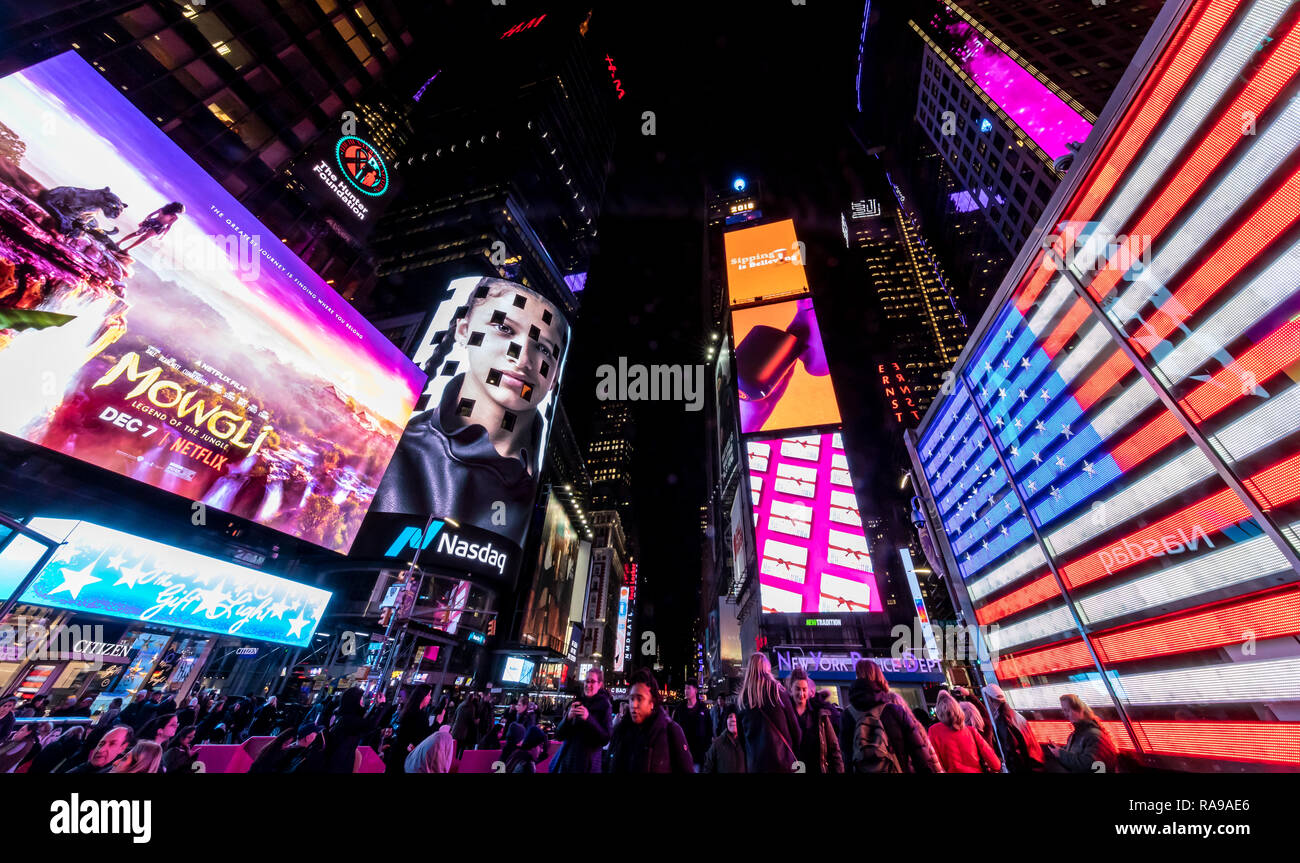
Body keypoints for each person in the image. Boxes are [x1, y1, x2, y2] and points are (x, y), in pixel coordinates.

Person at [373, 277, 570, 545]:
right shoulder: (389, 444)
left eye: (543, 349)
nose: (522, 358)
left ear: (556, 374)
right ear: (463, 330)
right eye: (504, 328)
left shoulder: (543, 495)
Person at [840, 661, 942, 773]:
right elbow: (918, 752)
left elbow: (847, 758)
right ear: (879, 676)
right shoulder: (894, 710)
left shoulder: (847, 715)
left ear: (858, 678)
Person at [608, 668, 693, 774]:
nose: (634, 705)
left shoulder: (671, 731)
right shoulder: (622, 731)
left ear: (652, 702)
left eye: (640, 698)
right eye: (631, 698)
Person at [736, 652, 801, 773]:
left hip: (756, 765)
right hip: (782, 763)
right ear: (767, 668)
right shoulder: (778, 691)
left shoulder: (742, 700)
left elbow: (741, 739)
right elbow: (795, 730)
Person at [552, 667, 613, 773]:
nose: (588, 685)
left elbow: (605, 738)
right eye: (586, 681)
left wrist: (589, 719)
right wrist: (567, 718)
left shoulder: (605, 706)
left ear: (599, 684)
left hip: (588, 766)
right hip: (566, 764)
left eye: (592, 682)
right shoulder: (577, 702)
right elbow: (559, 735)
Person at [928, 691, 1001, 774]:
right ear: (957, 709)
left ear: (939, 711)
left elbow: (936, 763)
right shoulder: (971, 730)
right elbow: (995, 764)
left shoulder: (934, 731)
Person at [1044, 693, 1117, 773]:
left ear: (1080, 711)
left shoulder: (1094, 735)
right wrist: (1059, 749)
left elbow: (1090, 764)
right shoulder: (1076, 734)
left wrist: (1061, 754)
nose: (1065, 715)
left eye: (1067, 710)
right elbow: (1075, 753)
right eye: (1063, 711)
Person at [787, 669, 843, 773]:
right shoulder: (785, 714)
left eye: (804, 689)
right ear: (791, 689)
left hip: (816, 768)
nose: (801, 693)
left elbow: (834, 747)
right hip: (794, 768)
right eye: (797, 689)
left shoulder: (818, 713)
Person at [983, 684, 1043, 773]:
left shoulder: (1002, 720)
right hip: (1035, 762)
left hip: (1025, 767)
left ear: (990, 699)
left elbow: (1012, 751)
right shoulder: (1016, 715)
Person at [324, 687, 378, 774]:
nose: (363, 702)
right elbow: (371, 725)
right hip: (339, 765)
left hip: (337, 761)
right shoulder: (349, 720)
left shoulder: (343, 716)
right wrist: (381, 705)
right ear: (354, 701)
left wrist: (376, 706)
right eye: (361, 699)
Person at [386, 685, 432, 774]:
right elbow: (424, 736)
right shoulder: (420, 715)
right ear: (422, 696)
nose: (430, 698)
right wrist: (437, 724)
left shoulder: (409, 710)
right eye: (429, 695)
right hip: (406, 756)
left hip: (397, 753)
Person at [671, 682, 713, 772]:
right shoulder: (679, 709)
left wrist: (705, 747)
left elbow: (709, 729)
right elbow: (673, 728)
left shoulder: (703, 709)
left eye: (689, 688)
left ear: (695, 690)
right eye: (685, 688)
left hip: (698, 755)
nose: (686, 691)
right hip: (681, 753)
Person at [63, 725, 134, 774]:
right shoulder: (86, 766)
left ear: (122, 748)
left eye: (112, 744)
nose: (100, 750)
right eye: (101, 743)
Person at [117, 201, 183, 251]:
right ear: (177, 210)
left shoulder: (163, 209)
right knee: (142, 237)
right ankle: (125, 249)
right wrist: (163, 235)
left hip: (152, 222)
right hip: (158, 227)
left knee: (138, 234)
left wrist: (144, 221)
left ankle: (120, 244)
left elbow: (150, 215)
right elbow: (168, 226)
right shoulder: (174, 217)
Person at [702, 706, 747, 774]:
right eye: (730, 717)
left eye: (736, 717)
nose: (733, 719)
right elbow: (708, 768)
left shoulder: (747, 743)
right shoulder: (717, 744)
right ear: (726, 721)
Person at [451, 693, 480, 759]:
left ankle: (452, 762)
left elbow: (454, 716)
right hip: (463, 732)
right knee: (462, 749)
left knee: (455, 749)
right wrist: (476, 721)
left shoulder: (461, 705)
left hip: (456, 729)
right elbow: (471, 720)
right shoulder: (471, 707)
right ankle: (459, 764)